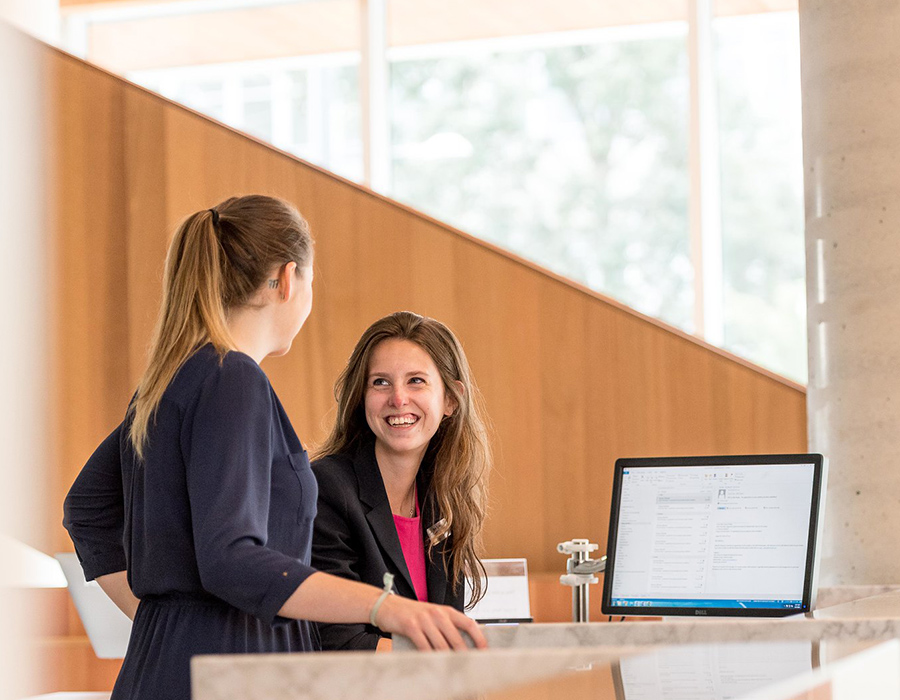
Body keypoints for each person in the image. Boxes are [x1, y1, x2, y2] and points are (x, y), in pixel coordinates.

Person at [63, 196, 485, 700]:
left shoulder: (173, 379)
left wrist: (164, 615)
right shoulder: (233, 379)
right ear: (289, 280)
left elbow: (87, 508)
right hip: (232, 670)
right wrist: (384, 608)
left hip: (173, 661)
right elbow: (231, 557)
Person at [312, 311, 491, 651]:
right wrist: (440, 664)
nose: (398, 399)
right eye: (380, 382)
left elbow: (448, 630)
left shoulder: (444, 498)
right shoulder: (328, 489)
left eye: (416, 381)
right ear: (361, 397)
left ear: (451, 400)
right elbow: (338, 641)